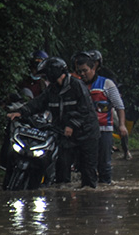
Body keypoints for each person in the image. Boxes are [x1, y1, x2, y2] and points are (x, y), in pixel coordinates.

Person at [7, 56, 100, 188]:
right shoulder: (52, 90)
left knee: (88, 172)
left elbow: (85, 110)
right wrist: (21, 112)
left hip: (87, 134)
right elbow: (38, 103)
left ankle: (88, 199)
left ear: (52, 73)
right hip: (64, 134)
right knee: (61, 169)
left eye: (46, 75)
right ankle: (62, 198)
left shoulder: (77, 86)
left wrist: (71, 125)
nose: (44, 79)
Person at [73, 51, 128, 184]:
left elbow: (119, 106)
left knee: (104, 164)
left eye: (85, 71)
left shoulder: (106, 84)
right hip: (84, 131)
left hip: (104, 130)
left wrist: (121, 125)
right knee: (85, 165)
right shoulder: (76, 85)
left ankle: (104, 190)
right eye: (79, 72)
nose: (82, 74)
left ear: (93, 68)